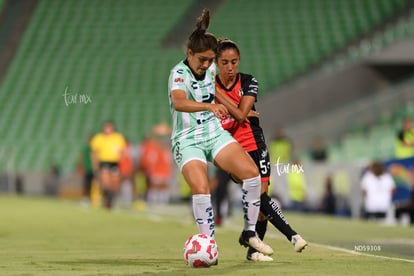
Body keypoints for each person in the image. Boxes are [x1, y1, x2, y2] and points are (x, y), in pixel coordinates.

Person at [168, 8, 273, 259]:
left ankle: (249, 232)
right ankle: (208, 244)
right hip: (187, 139)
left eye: (209, 60)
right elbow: (180, 102)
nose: (206, 65)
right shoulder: (178, 74)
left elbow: (218, 94)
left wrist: (239, 112)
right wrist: (209, 106)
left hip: (213, 133)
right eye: (202, 60)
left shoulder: (210, 68)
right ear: (189, 53)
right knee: (202, 187)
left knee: (251, 174)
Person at [214, 38, 307, 262]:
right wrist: (236, 110)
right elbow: (237, 114)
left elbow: (241, 114)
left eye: (234, 62)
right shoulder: (209, 86)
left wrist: (225, 104)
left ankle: (253, 248)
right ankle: (292, 236)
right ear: (216, 62)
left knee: (261, 199)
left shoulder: (248, 81)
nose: (230, 67)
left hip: (255, 142)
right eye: (224, 62)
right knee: (257, 192)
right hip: (230, 147)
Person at [90, 120, 127, 210]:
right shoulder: (98, 138)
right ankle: (106, 199)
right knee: (105, 182)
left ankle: (111, 200)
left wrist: (123, 164)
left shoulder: (118, 138)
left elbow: (123, 152)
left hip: (115, 163)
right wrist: (95, 166)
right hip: (104, 162)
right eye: (106, 127)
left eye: (109, 127)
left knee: (114, 184)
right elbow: (94, 153)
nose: (107, 129)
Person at [77, 134, 94, 205]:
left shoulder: (95, 148)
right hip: (87, 168)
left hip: (94, 169)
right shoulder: (85, 148)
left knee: (95, 185)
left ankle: (94, 199)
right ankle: (85, 199)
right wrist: (80, 166)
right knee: (86, 185)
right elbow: (81, 157)